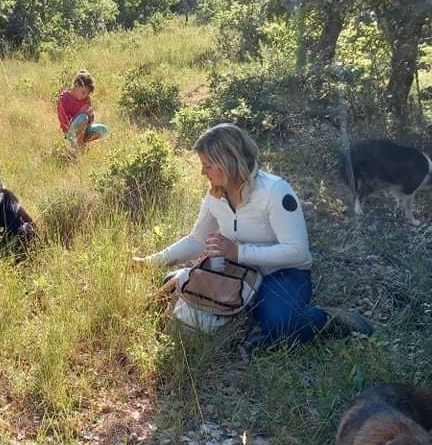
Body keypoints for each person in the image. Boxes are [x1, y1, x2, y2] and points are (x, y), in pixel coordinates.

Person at [136, 123, 371, 347]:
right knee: (171, 284)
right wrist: (149, 262)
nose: (202, 172)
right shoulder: (215, 196)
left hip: (282, 274)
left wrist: (239, 252)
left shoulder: (275, 191)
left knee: (281, 322)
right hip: (236, 273)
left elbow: (298, 253)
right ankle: (249, 315)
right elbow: (197, 240)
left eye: (207, 165)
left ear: (227, 162)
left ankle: (329, 319)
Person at [57, 71, 109, 149]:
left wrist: (91, 115)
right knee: (83, 117)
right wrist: (80, 113)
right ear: (76, 85)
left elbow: (90, 122)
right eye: (83, 92)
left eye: (87, 94)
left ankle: (79, 143)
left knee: (103, 130)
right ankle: (79, 146)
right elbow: (65, 124)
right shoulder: (63, 99)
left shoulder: (86, 99)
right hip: (69, 132)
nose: (84, 96)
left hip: (83, 130)